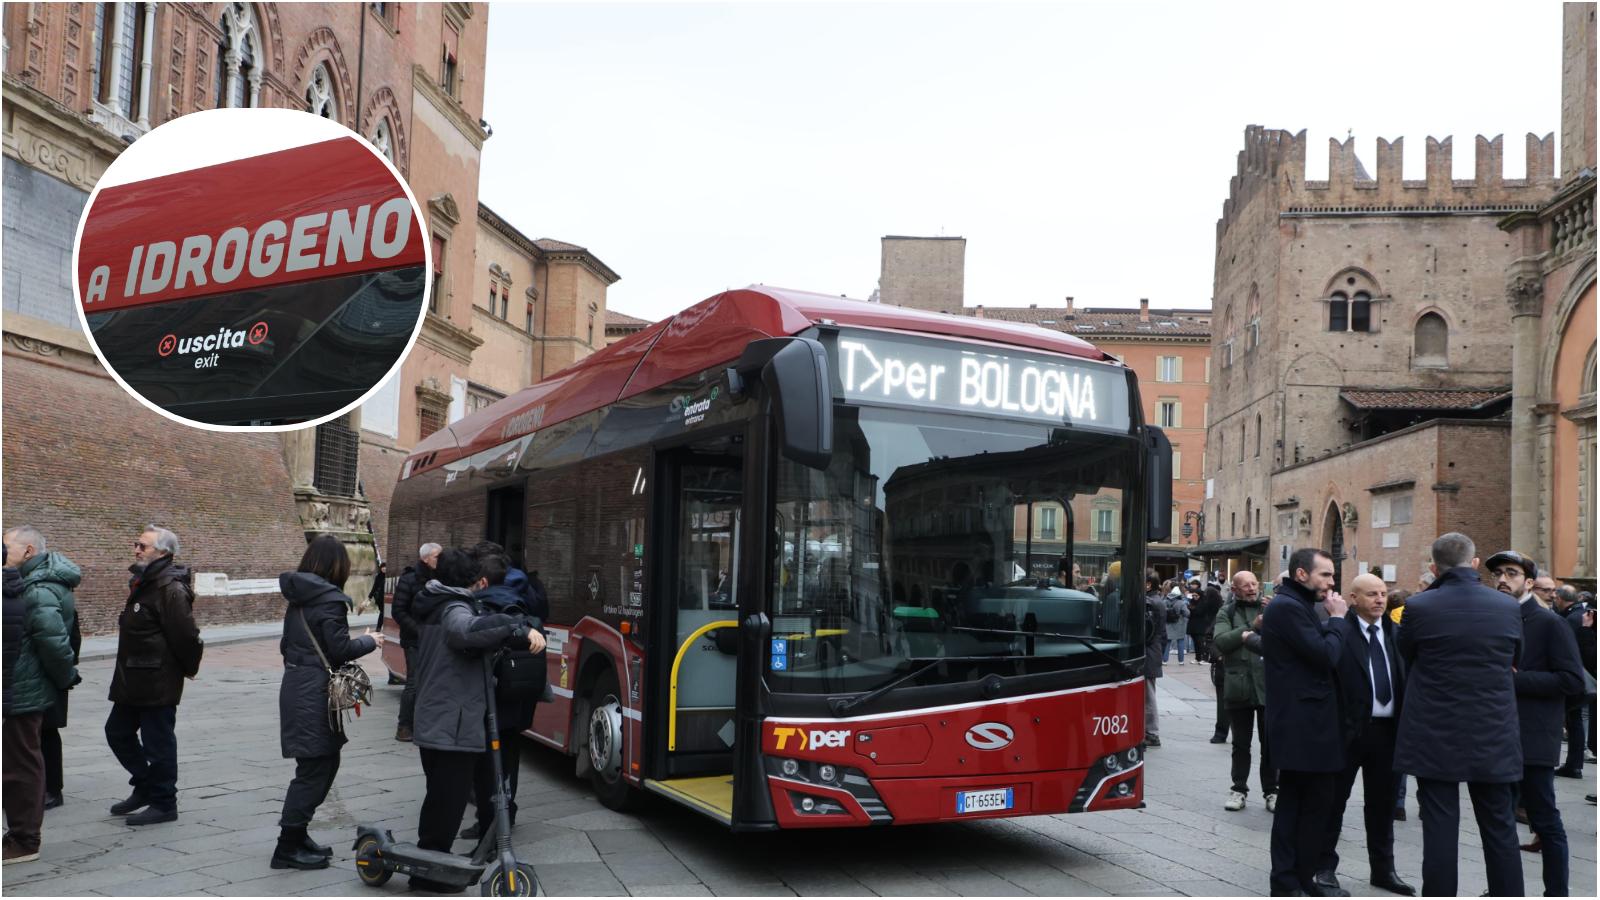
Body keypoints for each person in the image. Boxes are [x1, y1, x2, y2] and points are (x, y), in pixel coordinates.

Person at [1394, 533, 1523, 898]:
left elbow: (1407, 654)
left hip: (1435, 729)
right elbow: (1517, 659)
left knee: (1439, 826)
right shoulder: (1508, 607)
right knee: (1500, 827)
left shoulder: (1419, 607)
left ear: (1434, 568)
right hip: (1493, 729)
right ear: (1475, 563)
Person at [409, 549, 545, 893]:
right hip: (450, 720)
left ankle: (430, 867)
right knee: (446, 802)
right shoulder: (454, 607)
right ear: (475, 582)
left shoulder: (436, 600)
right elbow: (464, 632)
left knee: (445, 797)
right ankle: (427, 876)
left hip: (444, 715)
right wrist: (516, 628)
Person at [273, 535, 384, 870]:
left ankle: (298, 833)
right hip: (313, 693)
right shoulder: (329, 600)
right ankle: (286, 846)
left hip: (298, 685)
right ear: (337, 566)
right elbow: (339, 650)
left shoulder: (300, 597)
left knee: (322, 763)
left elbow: (285, 645)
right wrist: (369, 640)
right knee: (314, 769)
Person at [1486, 551, 1583, 894]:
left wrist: (1516, 679)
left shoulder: (1549, 623)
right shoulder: (1490, 618)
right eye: (1497, 572)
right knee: (1498, 822)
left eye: (1511, 573)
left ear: (1528, 583)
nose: (1502, 578)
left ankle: (1556, 892)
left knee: (1545, 821)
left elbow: (1572, 681)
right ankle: (1503, 889)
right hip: (1493, 738)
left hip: (1532, 740)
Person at [1315, 573, 1414, 896]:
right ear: (1353, 599)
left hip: (1387, 733)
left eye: (1383, 593)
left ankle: (1384, 870)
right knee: (1334, 803)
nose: (1380, 600)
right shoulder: (1340, 632)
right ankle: (1325, 869)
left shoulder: (1397, 633)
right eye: (1371, 594)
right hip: (1348, 733)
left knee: (1383, 805)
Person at [1262, 548, 1349, 898]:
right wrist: (1339, 620)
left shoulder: (1295, 606)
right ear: (1301, 575)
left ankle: (1301, 877)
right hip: (1302, 727)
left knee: (1313, 805)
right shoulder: (1287, 608)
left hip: (1311, 726)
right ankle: (1286, 882)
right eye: (1325, 574)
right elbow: (1326, 655)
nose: (1331, 581)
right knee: (1297, 806)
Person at [105, 525, 203, 826]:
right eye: (136, 544)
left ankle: (164, 803)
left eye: (143, 546)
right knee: (117, 732)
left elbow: (187, 636)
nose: (136, 549)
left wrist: (187, 669)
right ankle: (146, 785)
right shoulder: (143, 582)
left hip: (157, 680)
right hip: (132, 677)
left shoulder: (169, 588)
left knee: (158, 743)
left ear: (164, 553)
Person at [2, 534, 78, 864]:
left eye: (8, 546)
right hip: (22, 685)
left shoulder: (37, 588)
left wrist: (63, 679)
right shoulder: (31, 583)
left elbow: (54, 640)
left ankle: (24, 839)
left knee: (21, 763)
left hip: (23, 688)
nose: (5, 551)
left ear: (28, 550)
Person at [460, 545, 544, 840]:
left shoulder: (484, 604)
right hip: (520, 691)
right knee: (509, 754)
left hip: (494, 693)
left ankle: (491, 822)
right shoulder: (525, 594)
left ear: (482, 580)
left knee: (487, 761)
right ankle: (506, 810)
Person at [1215, 570, 1274, 811]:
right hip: (1238, 687)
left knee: (1270, 743)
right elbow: (1221, 642)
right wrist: (1252, 626)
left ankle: (1272, 791)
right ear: (1235, 589)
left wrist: (1274, 614)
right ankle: (1238, 789)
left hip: (1268, 686)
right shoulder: (1226, 612)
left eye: (1253, 583)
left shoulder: (1271, 607)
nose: (1251, 588)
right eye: (1245, 585)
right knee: (1241, 743)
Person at [391, 541, 440, 742]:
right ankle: (404, 726)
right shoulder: (409, 579)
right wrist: (419, 631)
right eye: (437, 556)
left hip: (435, 638)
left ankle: (424, 723)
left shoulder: (442, 579)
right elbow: (398, 611)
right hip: (415, 639)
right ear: (425, 558)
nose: (440, 560)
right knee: (414, 682)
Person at [1552, 585, 1594, 778]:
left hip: (1577, 677)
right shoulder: (1580, 614)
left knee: (1574, 720)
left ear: (1560, 599)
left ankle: (1573, 764)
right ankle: (1574, 764)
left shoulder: (1571, 618)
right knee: (1575, 720)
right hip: (1583, 677)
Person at [1142, 572, 1166, 748]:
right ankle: (1150, 731)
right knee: (1148, 692)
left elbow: (1148, 632)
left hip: (1149, 652)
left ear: (1148, 585)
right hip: (1154, 651)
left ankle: (1151, 732)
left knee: (1148, 694)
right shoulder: (1156, 601)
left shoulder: (1149, 603)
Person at [1162, 585, 1189, 664]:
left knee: (1167, 642)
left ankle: (1164, 661)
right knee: (1180, 642)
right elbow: (1187, 613)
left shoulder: (1165, 601)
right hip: (1180, 625)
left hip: (1168, 624)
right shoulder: (1181, 603)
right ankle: (1181, 661)